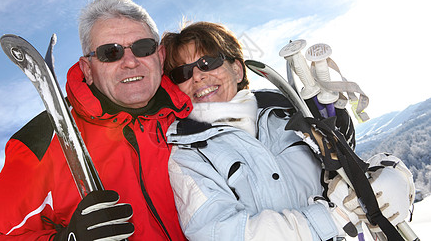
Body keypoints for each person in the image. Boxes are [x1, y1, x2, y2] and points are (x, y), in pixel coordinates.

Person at [160, 21, 415, 240]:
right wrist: (334, 217)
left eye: (207, 62)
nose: (196, 76)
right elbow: (218, 232)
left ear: (237, 69)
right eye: (182, 72)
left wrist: (393, 178)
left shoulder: (287, 113)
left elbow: (344, 168)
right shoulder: (189, 154)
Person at [0, 0, 192, 240]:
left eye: (143, 47)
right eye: (110, 53)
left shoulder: (195, 114)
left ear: (161, 56)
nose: (131, 62)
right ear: (87, 69)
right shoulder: (49, 138)